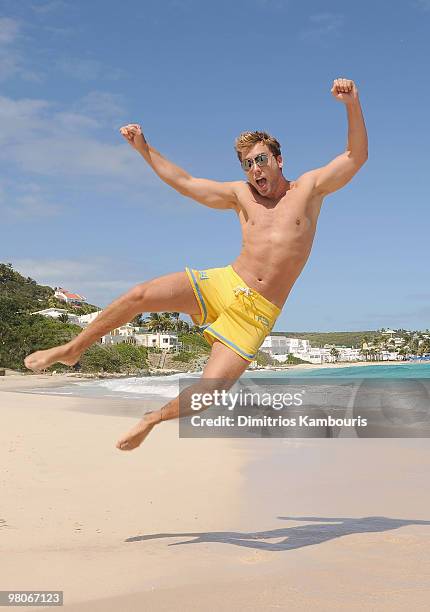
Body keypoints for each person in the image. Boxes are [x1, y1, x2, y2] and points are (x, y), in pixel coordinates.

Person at [24, 78, 368, 451]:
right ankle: (73, 349)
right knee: (140, 294)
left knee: (211, 393)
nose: (255, 169)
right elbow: (186, 182)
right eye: (248, 164)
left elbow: (355, 157)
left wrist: (351, 103)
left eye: (261, 160)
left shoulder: (309, 189)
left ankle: (152, 418)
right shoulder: (241, 196)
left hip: (256, 314)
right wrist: (144, 149)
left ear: (278, 160)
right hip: (223, 284)